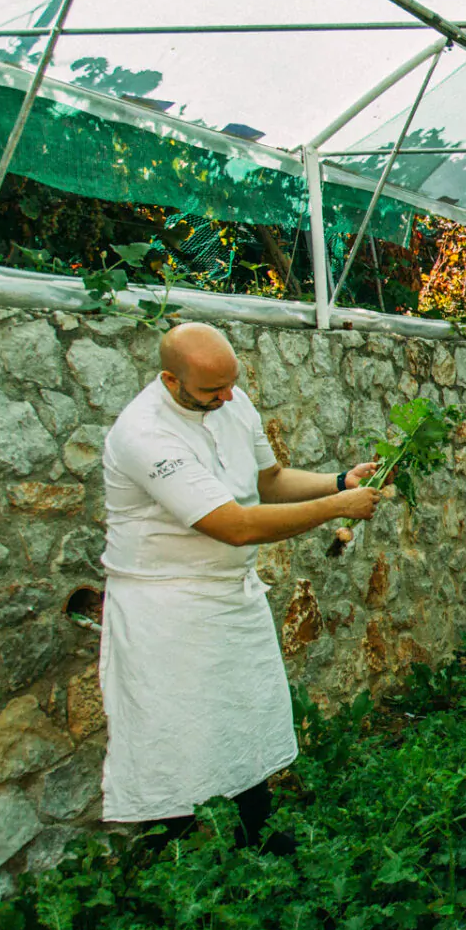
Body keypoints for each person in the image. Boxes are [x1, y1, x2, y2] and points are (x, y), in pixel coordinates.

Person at [99, 323, 384, 851]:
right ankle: (177, 864)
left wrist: (340, 482)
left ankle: (261, 842)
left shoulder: (232, 400)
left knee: (246, 725)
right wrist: (337, 509)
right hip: (167, 609)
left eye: (232, 383)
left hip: (232, 597)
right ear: (170, 379)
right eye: (213, 391)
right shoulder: (144, 435)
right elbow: (235, 525)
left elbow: (268, 481)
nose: (228, 397)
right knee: (175, 741)